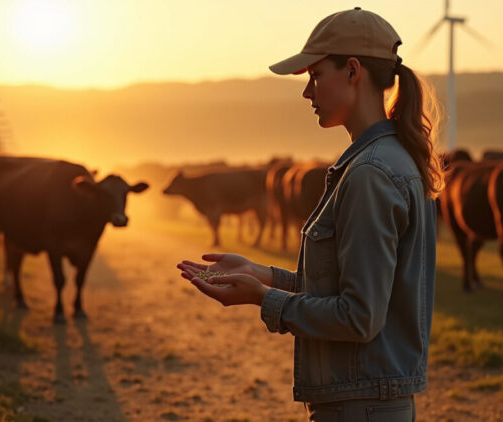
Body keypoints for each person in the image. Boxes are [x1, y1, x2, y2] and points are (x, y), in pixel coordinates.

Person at [177, 7, 442, 422]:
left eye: (316, 76)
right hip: (371, 399)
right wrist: (264, 275)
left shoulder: (370, 173)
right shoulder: (389, 159)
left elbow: (358, 317)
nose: (307, 92)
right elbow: (355, 291)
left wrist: (263, 299)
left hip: (359, 407)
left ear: (353, 71)